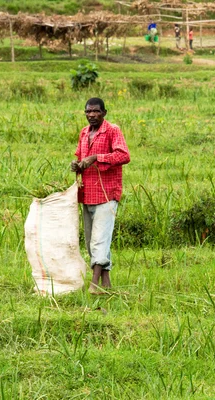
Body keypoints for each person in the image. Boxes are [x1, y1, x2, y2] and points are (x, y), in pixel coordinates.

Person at [70, 98, 130, 294]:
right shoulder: (84, 133)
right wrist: (77, 165)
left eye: (96, 111)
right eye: (88, 111)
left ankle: (94, 284)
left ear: (104, 112)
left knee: (99, 240)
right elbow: (80, 157)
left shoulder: (112, 130)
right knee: (91, 242)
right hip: (87, 193)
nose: (92, 115)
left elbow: (124, 156)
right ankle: (106, 283)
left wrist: (97, 158)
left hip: (107, 193)